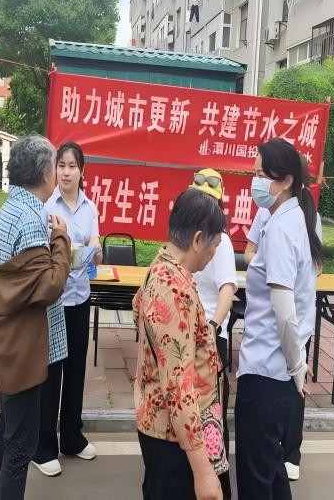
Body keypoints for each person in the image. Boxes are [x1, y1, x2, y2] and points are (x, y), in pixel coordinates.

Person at [0, 135, 71, 500]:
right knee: (19, 449)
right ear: (46, 173)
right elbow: (49, 286)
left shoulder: (10, 208)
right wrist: (61, 239)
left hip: (9, 342)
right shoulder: (32, 220)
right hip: (25, 348)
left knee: (6, 432)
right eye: (56, 167)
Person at [235, 138, 323, 500]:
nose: (254, 182)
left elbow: (285, 311)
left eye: (261, 175)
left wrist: (297, 368)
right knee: (270, 470)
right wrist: (296, 367)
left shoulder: (283, 229)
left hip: (266, 371)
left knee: (256, 477)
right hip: (275, 370)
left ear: (285, 180)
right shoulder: (291, 219)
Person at [134, 188, 231, 500]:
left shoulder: (164, 266)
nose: (213, 254)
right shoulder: (173, 290)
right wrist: (203, 473)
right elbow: (178, 387)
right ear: (198, 240)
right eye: (214, 246)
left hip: (169, 426)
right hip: (174, 436)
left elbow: (137, 309)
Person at [32, 141, 103, 477]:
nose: (66, 172)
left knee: (76, 370)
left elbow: (95, 250)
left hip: (80, 297)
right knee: (52, 372)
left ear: (82, 171)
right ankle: (43, 446)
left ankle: (72, 437)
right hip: (55, 300)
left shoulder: (90, 208)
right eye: (61, 165)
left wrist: (95, 252)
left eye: (72, 166)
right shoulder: (47, 206)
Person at [189, 168, 237, 467]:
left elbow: (227, 289)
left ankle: (217, 475)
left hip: (210, 335)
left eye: (210, 201)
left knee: (213, 412)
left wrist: (213, 325)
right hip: (186, 333)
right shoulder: (187, 237)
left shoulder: (222, 243)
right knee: (189, 409)